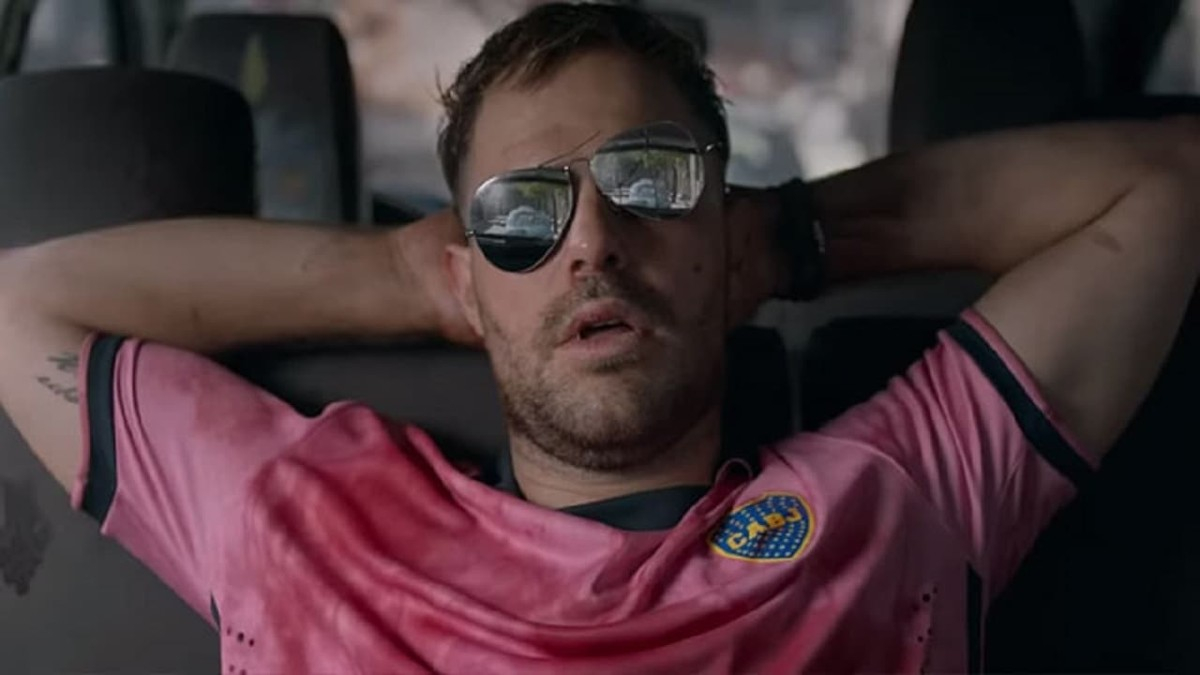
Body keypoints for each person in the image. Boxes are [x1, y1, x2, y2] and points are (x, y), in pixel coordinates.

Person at [0, 2, 1196, 672]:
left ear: (728, 236)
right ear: (464, 273)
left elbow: (1169, 182)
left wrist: (789, 236)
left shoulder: (892, 498)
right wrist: (402, 273)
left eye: (651, 180)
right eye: (523, 212)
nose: (593, 242)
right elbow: (22, 303)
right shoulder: (301, 514)